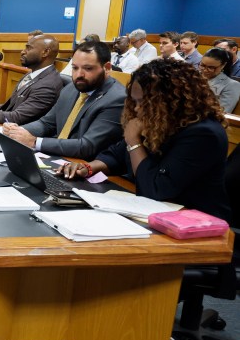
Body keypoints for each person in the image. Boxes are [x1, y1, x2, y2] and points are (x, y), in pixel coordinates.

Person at [58, 59, 230, 220]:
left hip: (194, 222)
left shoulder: (203, 134)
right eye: (135, 101)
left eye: (144, 103)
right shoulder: (161, 121)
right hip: (152, 211)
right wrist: (88, 168)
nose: (138, 109)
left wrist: (134, 142)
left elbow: (155, 190)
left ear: (172, 102)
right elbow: (116, 155)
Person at [2, 40, 126, 159]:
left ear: (107, 68)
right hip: (60, 157)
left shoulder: (117, 99)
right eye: (75, 68)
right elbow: (46, 123)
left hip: (87, 167)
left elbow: (87, 146)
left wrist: (34, 142)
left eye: (88, 68)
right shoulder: (71, 88)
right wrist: (18, 131)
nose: (79, 75)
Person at [0, 34, 63, 124]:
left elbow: (17, 117)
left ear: (45, 52)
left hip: (20, 134)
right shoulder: (31, 74)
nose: (23, 51)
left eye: (29, 48)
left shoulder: (48, 85)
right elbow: (9, 107)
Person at [202, 48, 240, 113]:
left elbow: (222, 112)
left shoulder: (232, 85)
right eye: (202, 65)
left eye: (211, 67)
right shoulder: (195, 77)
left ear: (223, 65)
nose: (205, 70)